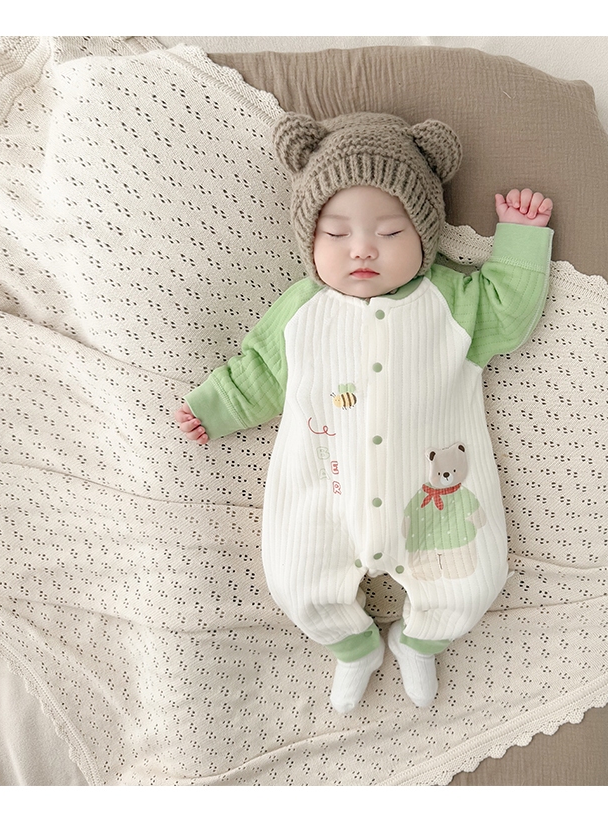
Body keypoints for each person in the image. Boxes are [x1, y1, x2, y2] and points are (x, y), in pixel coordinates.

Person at [174, 112, 553, 713]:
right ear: (310, 242)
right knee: (296, 580)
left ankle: (419, 641)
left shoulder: (452, 302)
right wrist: (217, 407)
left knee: (472, 582)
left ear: (424, 237)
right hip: (324, 489)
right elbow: (262, 371)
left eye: (390, 232)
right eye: (336, 234)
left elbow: (509, 312)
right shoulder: (304, 311)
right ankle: (353, 647)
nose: (362, 250)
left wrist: (521, 240)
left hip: (434, 498)